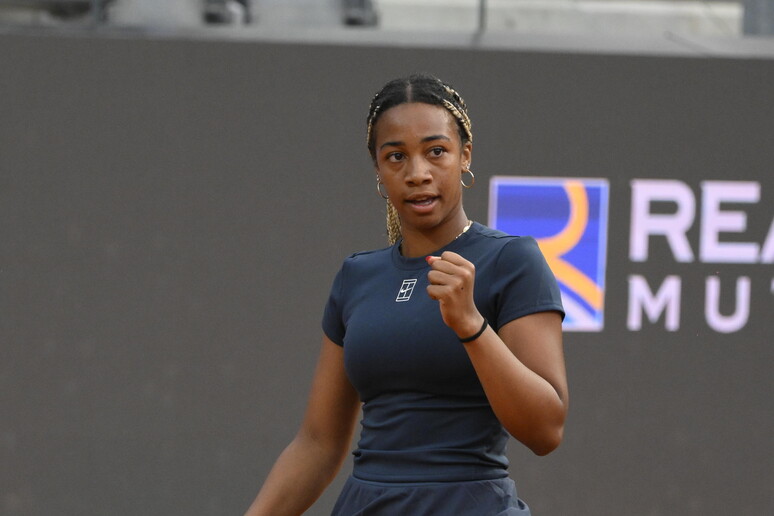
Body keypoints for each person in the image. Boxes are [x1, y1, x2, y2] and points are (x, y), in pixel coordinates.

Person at [244, 73, 568, 516]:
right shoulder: (357, 276)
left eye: (436, 151)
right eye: (396, 156)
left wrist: (471, 326)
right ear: (378, 170)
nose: (417, 174)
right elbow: (318, 444)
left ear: (465, 156)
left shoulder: (512, 260)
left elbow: (546, 430)